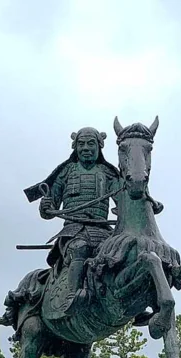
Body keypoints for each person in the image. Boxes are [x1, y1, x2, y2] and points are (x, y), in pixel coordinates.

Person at [23, 126, 121, 311]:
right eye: (81, 144)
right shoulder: (67, 171)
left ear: (99, 146)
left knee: (122, 254)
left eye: (91, 143)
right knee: (80, 248)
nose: (85, 148)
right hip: (73, 231)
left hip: (103, 231)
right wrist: (46, 206)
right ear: (75, 147)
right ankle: (72, 296)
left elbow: (124, 199)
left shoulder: (108, 173)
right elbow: (49, 209)